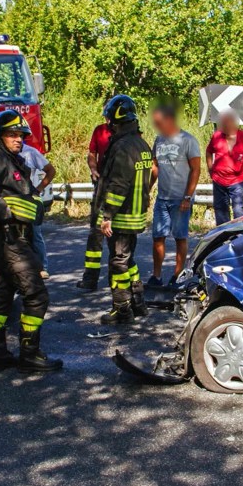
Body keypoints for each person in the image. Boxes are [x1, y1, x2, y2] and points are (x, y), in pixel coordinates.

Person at [0, 110, 63, 373]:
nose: (18, 139)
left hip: (7, 237)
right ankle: (30, 355)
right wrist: (0, 208)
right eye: (12, 134)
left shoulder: (9, 159)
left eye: (21, 135)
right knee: (36, 294)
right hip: (8, 237)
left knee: (1, 296)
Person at [95, 95, 153, 325]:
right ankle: (138, 304)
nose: (108, 123)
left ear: (115, 119)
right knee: (128, 261)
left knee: (118, 262)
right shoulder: (141, 144)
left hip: (122, 216)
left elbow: (118, 184)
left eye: (109, 119)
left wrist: (107, 215)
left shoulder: (122, 147)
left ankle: (122, 310)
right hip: (136, 214)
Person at [147, 103, 201, 289]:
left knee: (180, 237)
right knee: (158, 237)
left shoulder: (188, 140)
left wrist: (188, 197)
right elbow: (155, 167)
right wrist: (148, 189)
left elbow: (196, 169)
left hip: (181, 199)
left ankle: (178, 277)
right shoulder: (159, 140)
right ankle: (156, 276)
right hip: (162, 198)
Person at [207, 110, 243, 226]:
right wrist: (210, 168)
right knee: (220, 210)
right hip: (218, 180)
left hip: (236, 182)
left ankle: (239, 234)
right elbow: (208, 151)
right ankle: (223, 234)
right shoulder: (217, 136)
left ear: (233, 123)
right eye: (222, 123)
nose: (223, 126)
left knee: (238, 211)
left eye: (225, 123)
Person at [76, 121, 113, 291]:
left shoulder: (128, 132)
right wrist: (93, 169)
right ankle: (90, 279)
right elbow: (92, 153)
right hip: (100, 186)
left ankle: (116, 278)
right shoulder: (100, 130)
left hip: (117, 186)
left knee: (116, 237)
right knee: (95, 235)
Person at [18, 141, 57, 279]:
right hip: (12, 201)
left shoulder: (30, 152)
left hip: (29, 200)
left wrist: (38, 190)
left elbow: (51, 171)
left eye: (19, 136)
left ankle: (42, 267)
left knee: (35, 234)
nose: (17, 140)